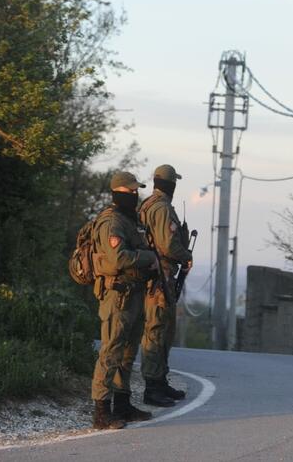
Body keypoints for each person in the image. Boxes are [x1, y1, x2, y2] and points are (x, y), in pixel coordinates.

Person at [90, 171, 158, 429]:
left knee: (128, 352)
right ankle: (100, 410)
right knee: (111, 351)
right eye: (130, 191)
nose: (135, 195)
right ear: (117, 191)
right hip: (117, 294)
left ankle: (122, 404)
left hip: (134, 292)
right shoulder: (111, 222)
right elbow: (119, 258)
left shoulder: (129, 220)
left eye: (135, 191)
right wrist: (147, 258)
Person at [136, 164, 193, 405]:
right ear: (171, 185)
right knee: (157, 331)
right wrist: (185, 256)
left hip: (159, 276)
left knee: (163, 330)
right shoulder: (161, 208)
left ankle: (160, 381)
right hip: (160, 277)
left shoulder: (148, 205)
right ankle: (152, 387)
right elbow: (168, 245)